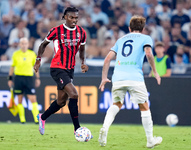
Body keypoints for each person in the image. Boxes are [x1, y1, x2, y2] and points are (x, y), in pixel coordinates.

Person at [98, 15, 162, 148]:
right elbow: (149, 54)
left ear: (129, 28)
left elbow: (107, 59)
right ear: (143, 29)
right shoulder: (146, 38)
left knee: (116, 104)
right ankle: (150, 140)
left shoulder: (121, 40)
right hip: (135, 77)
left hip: (118, 77)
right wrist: (155, 71)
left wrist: (104, 78)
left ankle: (105, 128)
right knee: (144, 106)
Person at [34, 7, 89, 135]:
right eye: (71, 17)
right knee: (74, 94)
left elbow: (82, 49)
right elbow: (43, 45)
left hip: (70, 69)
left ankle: (42, 117)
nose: (74, 20)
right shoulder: (56, 31)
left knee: (61, 102)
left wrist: (83, 62)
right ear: (64, 17)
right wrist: (38, 60)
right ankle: (77, 129)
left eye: (76, 18)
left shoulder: (81, 32)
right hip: (57, 68)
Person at [7, 37, 40, 124]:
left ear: (28, 44)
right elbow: (12, 67)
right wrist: (10, 78)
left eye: (25, 43)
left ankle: (36, 119)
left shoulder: (32, 54)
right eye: (22, 43)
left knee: (33, 99)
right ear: (20, 44)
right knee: (19, 99)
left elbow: (36, 67)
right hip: (18, 78)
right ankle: (22, 119)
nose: (24, 45)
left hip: (29, 78)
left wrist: (37, 78)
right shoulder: (16, 54)